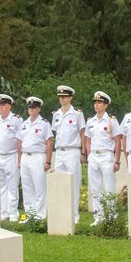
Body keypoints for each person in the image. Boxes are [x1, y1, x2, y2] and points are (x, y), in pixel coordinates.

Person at [82, 91, 121, 224]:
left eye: (99, 103)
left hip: (106, 155)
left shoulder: (111, 120)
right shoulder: (90, 121)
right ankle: (98, 217)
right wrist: (88, 155)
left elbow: (118, 140)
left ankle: (112, 216)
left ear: (106, 105)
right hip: (94, 155)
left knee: (110, 187)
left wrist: (117, 160)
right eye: (95, 102)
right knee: (95, 188)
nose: (96, 105)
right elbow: (87, 140)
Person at [50, 85, 85, 219]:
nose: (62, 99)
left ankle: (74, 215)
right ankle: (62, 213)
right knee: (60, 182)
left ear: (70, 97)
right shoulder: (56, 114)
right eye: (60, 97)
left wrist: (83, 153)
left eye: (64, 96)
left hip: (72, 151)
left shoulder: (77, 114)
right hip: (59, 151)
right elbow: (56, 134)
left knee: (74, 183)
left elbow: (82, 134)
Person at [0, 94, 23, 221]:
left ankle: (13, 213)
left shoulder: (17, 120)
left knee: (12, 185)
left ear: (10, 106)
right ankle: (3, 212)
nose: (1, 107)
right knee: (1, 185)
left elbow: (20, 140)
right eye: (0, 105)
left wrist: (20, 157)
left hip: (11, 155)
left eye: (4, 105)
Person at [17, 97, 53, 219]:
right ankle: (29, 215)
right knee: (27, 188)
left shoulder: (44, 123)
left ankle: (40, 215)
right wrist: (19, 159)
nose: (31, 109)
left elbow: (49, 143)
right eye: (30, 107)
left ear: (39, 109)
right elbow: (19, 142)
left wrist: (48, 161)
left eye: (34, 107)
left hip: (38, 156)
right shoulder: (24, 124)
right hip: (25, 156)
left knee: (39, 187)